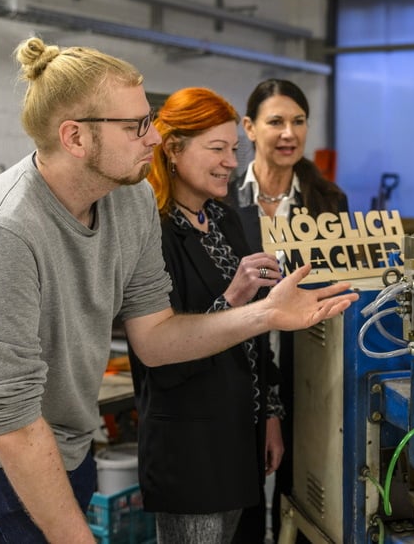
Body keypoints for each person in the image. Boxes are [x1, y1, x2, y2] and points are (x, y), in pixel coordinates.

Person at [0, 38, 358, 544]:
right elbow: (11, 419)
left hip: (68, 433)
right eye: (135, 126)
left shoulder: (132, 199)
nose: (152, 140)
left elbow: (156, 336)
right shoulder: (2, 233)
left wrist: (265, 316)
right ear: (75, 137)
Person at [129, 86, 284, 543]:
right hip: (190, 452)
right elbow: (165, 354)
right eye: (216, 149)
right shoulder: (152, 232)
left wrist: (270, 414)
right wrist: (233, 298)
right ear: (173, 150)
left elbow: (256, 331)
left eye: (234, 149)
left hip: (241, 439)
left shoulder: (225, 219)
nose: (231, 162)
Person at [227, 78, 349, 541]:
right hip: (242, 366)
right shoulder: (224, 198)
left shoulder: (327, 202)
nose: (289, 133)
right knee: (243, 502)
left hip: (308, 369)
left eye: (298, 122)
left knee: (304, 494)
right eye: (275, 121)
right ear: (249, 128)